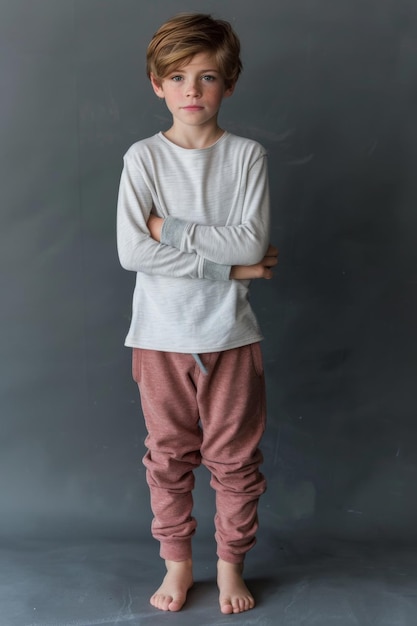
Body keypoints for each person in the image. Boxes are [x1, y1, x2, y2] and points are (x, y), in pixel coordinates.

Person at [117, 12, 278, 615]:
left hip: (230, 339)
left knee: (236, 462)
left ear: (228, 85)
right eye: (178, 77)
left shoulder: (246, 158)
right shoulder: (143, 159)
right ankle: (178, 566)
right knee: (168, 458)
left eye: (207, 77)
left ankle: (230, 566)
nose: (192, 90)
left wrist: (170, 228)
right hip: (158, 338)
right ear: (157, 84)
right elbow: (134, 251)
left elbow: (250, 241)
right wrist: (232, 270)